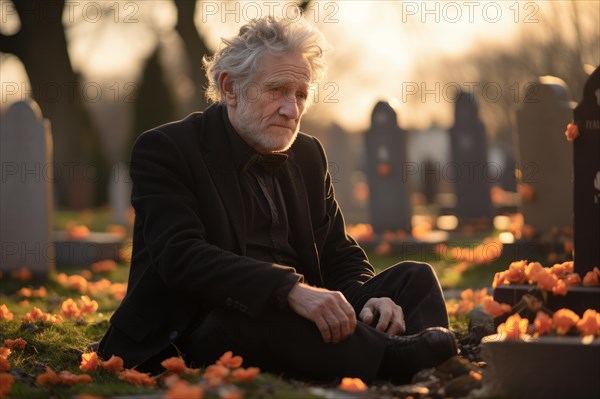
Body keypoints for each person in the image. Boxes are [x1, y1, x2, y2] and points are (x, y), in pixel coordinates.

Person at [98, 15, 457, 384]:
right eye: (276, 90)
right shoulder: (167, 149)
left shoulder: (307, 154)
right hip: (199, 327)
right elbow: (181, 256)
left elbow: (338, 253)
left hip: (299, 308)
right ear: (230, 88)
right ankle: (394, 360)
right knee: (256, 315)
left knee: (415, 277)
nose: (292, 110)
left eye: (300, 95)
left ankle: (416, 353)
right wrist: (288, 290)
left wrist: (369, 298)